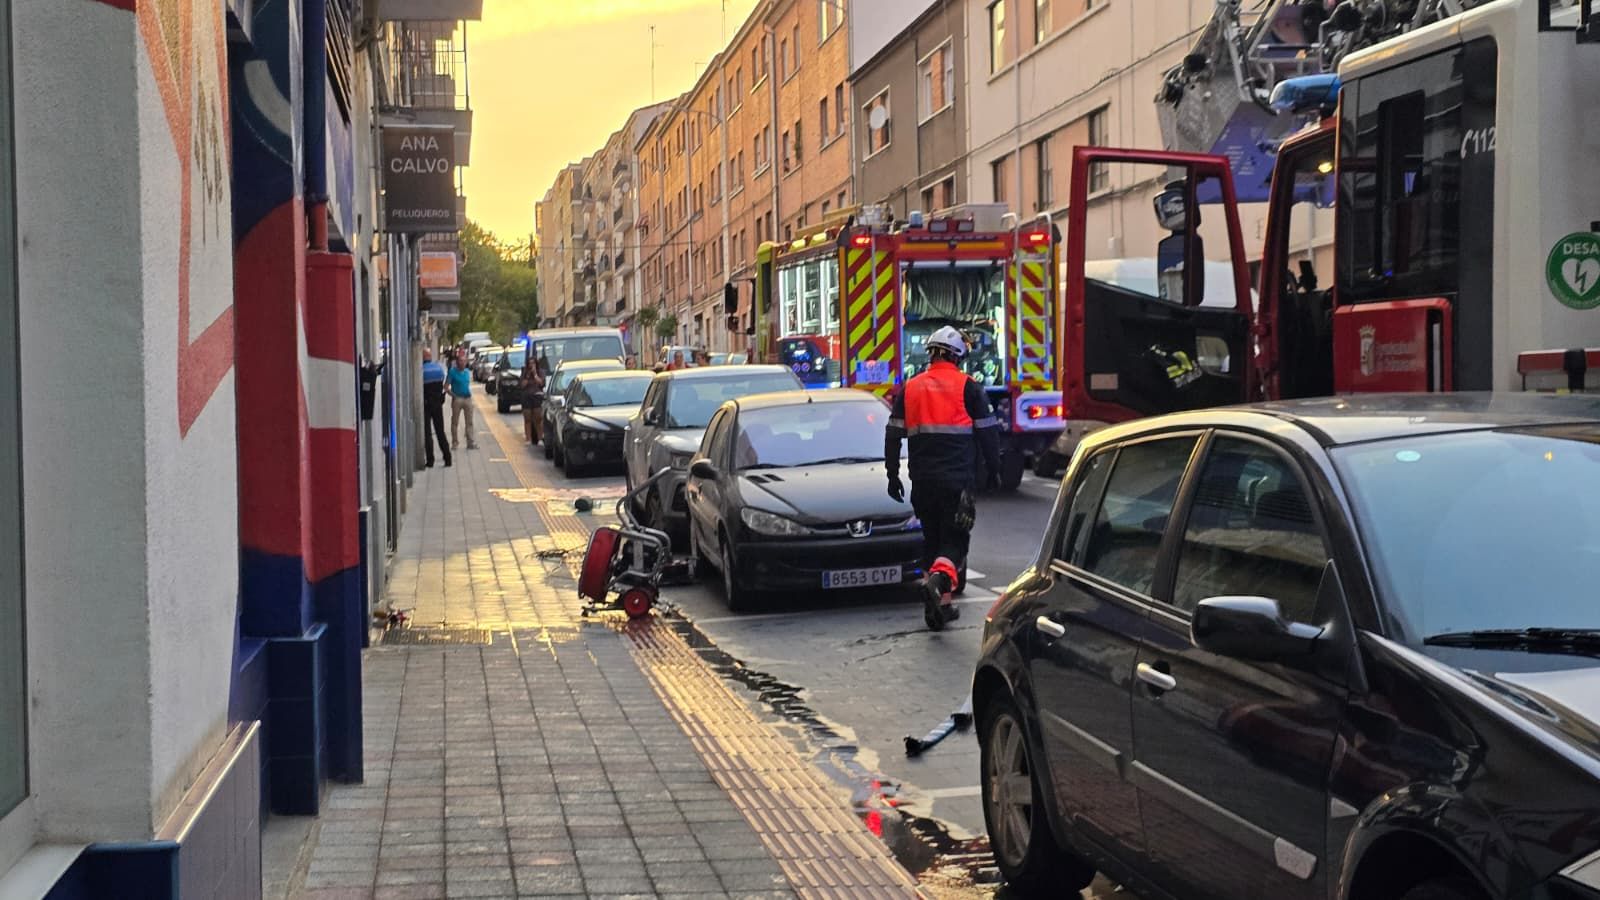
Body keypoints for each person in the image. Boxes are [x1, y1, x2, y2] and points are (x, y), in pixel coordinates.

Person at [884, 325, 1002, 631]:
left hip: (922, 482)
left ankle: (939, 608)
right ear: (957, 356)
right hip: (957, 481)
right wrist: (995, 470)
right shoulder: (969, 387)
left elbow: (893, 434)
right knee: (955, 542)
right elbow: (988, 435)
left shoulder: (910, 388)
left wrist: (892, 474)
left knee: (932, 540)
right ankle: (937, 583)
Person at [421, 348, 452, 468]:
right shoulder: (438, 368)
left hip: (426, 404)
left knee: (427, 433)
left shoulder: (421, 370)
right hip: (437, 403)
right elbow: (443, 382)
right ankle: (447, 458)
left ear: (423, 358)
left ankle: (430, 460)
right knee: (440, 431)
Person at [448, 354, 477, 450]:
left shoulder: (467, 372)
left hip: (467, 398)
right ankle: (455, 442)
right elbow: (446, 387)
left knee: (469, 422)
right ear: (457, 362)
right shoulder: (452, 372)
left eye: (464, 361)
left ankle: (470, 442)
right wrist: (453, 396)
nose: (463, 363)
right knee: (455, 422)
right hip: (457, 399)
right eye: (461, 361)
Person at [521, 357, 545, 444]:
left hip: (537, 397)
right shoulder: (524, 372)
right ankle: (528, 438)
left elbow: (541, 383)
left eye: (533, 363)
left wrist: (535, 374)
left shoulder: (540, 372)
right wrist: (527, 376)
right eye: (530, 363)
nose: (531, 365)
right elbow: (522, 385)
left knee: (538, 418)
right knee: (527, 418)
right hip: (526, 397)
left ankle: (540, 438)